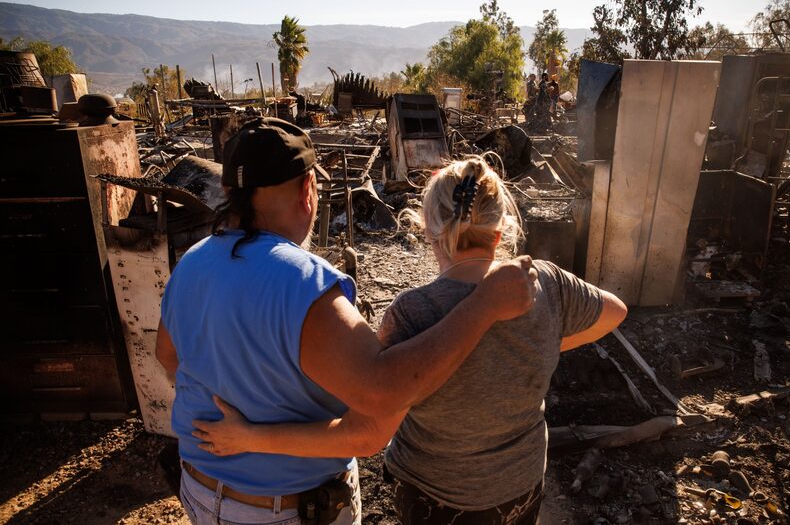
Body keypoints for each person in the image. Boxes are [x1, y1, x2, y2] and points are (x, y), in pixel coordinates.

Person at [191, 156, 628, 525]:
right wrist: (545, 341)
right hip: (522, 487)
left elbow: (368, 433)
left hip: (440, 500)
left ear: (429, 231)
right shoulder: (544, 282)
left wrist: (250, 436)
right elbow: (614, 312)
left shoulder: (415, 312)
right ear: (501, 232)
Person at [155, 119, 536, 525]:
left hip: (200, 489)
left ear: (230, 192)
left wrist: (244, 396)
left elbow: (168, 357)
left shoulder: (194, 261)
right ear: (308, 190)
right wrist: (484, 306)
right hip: (282, 510)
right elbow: (379, 403)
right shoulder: (301, 282)